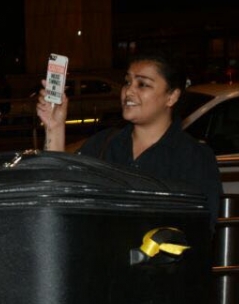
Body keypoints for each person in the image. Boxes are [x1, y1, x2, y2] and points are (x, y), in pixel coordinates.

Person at [36, 51, 222, 228]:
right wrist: (54, 127)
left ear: (172, 96)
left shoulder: (194, 158)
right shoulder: (103, 144)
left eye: (143, 84)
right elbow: (60, 190)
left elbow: (201, 229)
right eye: (127, 82)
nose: (128, 91)